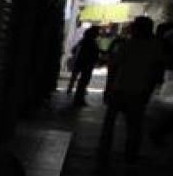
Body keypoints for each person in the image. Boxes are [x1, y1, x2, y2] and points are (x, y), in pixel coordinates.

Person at [97, 16, 166, 164]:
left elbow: (113, 67)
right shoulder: (156, 47)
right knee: (134, 125)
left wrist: (108, 88)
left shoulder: (128, 45)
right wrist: (149, 91)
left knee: (110, 123)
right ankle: (130, 155)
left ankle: (104, 151)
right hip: (139, 91)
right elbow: (157, 73)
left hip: (120, 88)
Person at [68, 26, 100, 107]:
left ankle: (72, 91)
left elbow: (73, 50)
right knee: (83, 82)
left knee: (77, 79)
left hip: (80, 62)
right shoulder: (92, 43)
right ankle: (79, 99)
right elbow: (95, 55)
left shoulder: (82, 41)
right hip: (87, 64)